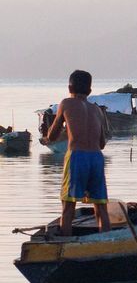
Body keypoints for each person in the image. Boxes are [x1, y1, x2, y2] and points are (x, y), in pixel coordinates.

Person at [41, 70, 110, 236]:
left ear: (69, 87)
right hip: (96, 158)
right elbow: (101, 144)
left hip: (77, 157)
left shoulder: (65, 104)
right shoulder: (97, 110)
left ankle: (65, 243)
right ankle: (107, 240)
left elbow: (52, 136)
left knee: (68, 208)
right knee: (101, 208)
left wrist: (49, 131)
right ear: (90, 91)